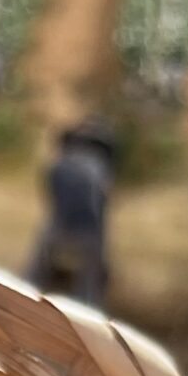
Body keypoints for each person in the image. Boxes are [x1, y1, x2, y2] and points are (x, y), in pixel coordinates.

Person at [26, 118, 118, 308]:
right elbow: (98, 207)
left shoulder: (60, 163)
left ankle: (26, 294)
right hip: (87, 227)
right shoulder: (98, 169)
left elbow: (52, 196)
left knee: (39, 262)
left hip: (60, 223)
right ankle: (89, 307)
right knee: (90, 274)